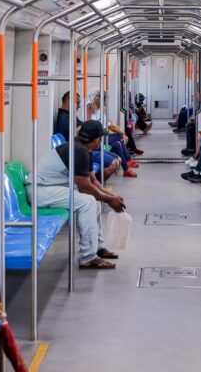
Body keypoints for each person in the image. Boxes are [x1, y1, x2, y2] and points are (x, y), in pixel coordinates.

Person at [30, 120, 125, 269]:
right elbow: (85, 187)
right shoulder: (79, 151)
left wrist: (110, 197)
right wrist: (109, 200)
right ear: (96, 139)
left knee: (94, 200)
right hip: (40, 191)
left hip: (50, 188)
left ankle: (96, 247)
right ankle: (88, 257)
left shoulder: (82, 149)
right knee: (88, 201)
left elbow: (92, 180)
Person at [85, 90, 138, 177]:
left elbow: (110, 125)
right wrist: (123, 134)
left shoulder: (98, 113)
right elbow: (111, 127)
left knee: (117, 143)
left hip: (102, 137)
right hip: (98, 139)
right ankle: (127, 162)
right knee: (119, 137)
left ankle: (126, 167)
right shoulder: (95, 115)